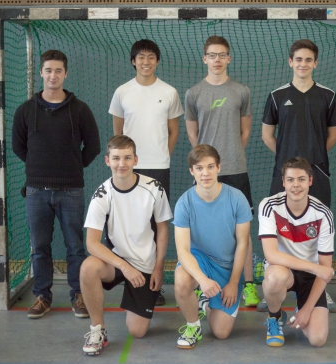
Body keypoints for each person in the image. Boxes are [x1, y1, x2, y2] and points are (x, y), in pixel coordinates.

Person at [12, 50, 100, 319]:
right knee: (40, 248)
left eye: (58, 70)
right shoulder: (25, 110)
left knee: (75, 246)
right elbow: (19, 147)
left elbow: (94, 146)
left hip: (71, 190)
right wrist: (41, 170)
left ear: (66, 73)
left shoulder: (80, 109)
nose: (53, 75)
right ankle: (42, 296)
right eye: (48, 70)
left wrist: (72, 168)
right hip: (36, 191)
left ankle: (78, 295)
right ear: (41, 73)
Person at [261, 39, 336, 313]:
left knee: (318, 233)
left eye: (308, 60)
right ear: (290, 62)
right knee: (279, 233)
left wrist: (310, 164)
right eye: (298, 59)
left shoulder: (328, 96)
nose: (303, 64)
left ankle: (320, 289)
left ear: (315, 63)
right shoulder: (276, 95)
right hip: (282, 177)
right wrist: (289, 165)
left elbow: (333, 135)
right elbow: (267, 135)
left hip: (317, 173)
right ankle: (274, 285)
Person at [80, 135, 172, 356]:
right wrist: (124, 266)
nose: (122, 163)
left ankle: (135, 301)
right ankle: (97, 330)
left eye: (127, 158)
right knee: (88, 267)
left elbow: (163, 230)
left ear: (135, 160)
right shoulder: (102, 195)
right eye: (116, 158)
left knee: (137, 331)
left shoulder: (154, 188)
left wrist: (159, 267)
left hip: (145, 263)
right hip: (117, 262)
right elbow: (92, 243)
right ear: (107, 161)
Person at [185, 36, 260, 307]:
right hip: (205, 173)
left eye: (222, 55)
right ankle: (200, 283)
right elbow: (193, 133)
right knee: (200, 229)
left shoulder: (241, 91)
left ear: (229, 58)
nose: (217, 60)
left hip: (236, 169)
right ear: (204, 58)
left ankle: (249, 285)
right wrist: (207, 164)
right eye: (212, 55)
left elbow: (246, 130)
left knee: (243, 230)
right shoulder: (193, 93)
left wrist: (229, 156)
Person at [110, 39, 183, 305]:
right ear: (133, 61)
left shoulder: (170, 92)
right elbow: (118, 133)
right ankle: (130, 279)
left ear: (157, 61)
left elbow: (173, 131)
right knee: (128, 225)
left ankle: (155, 284)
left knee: (155, 225)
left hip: (159, 167)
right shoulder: (122, 92)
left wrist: (163, 155)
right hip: (128, 168)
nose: (146, 62)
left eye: (151, 57)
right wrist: (124, 162)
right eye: (141, 57)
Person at [173, 145, 252, 349]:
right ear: (192, 171)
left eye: (210, 167)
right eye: (199, 168)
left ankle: (204, 301)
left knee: (221, 333)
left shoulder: (237, 198)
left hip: (226, 267)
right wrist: (202, 279)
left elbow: (243, 243)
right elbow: (182, 250)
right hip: (199, 260)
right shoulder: (184, 203)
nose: (205, 173)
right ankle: (193, 325)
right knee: (182, 280)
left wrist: (234, 282)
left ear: (219, 167)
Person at [258, 157, 335, 347]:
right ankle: (275, 317)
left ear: (310, 181)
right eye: (290, 180)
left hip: (310, 278)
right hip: (283, 270)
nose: (296, 185)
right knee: (275, 276)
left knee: (317, 339)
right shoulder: (269, 206)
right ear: (283, 182)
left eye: (301, 179)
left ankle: (302, 304)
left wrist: (307, 310)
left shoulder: (323, 214)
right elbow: (271, 255)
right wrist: (315, 268)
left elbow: (324, 270)